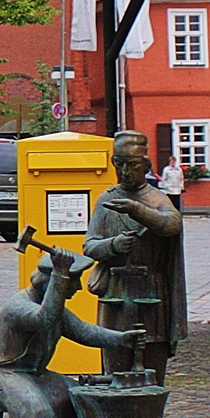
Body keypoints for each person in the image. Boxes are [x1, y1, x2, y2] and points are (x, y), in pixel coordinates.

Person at [0, 249, 143, 418]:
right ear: (55, 283)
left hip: (36, 374)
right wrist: (60, 273)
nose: (78, 288)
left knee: (77, 397)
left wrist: (121, 339)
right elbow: (43, 320)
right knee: (36, 405)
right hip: (5, 376)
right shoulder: (19, 308)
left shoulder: (54, 310)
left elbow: (84, 331)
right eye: (74, 282)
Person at [83, 130, 187, 383]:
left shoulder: (156, 199)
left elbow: (172, 224)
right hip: (116, 296)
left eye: (132, 165)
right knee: (114, 374)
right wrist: (114, 245)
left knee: (152, 376)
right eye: (120, 165)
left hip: (152, 296)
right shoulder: (107, 200)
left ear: (146, 166)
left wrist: (138, 211)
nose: (126, 172)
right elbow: (90, 247)